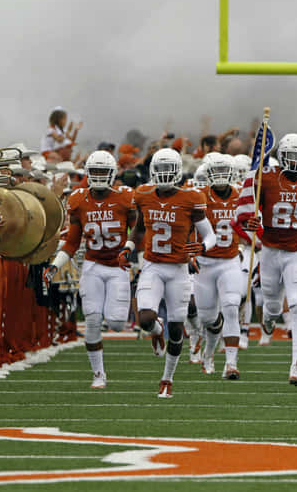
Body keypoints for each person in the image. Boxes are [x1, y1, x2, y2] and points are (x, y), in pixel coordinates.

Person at [124, 148, 216, 398]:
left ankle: (167, 379)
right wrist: (128, 247)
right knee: (145, 320)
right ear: (153, 171)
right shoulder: (143, 194)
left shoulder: (191, 197)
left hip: (178, 269)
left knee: (176, 331)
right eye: (160, 169)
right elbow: (139, 228)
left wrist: (202, 247)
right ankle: (156, 331)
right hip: (152, 266)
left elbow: (210, 235)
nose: (164, 174)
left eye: (169, 169)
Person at [43, 151, 135, 389]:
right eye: (95, 172)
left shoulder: (126, 197)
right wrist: (54, 265)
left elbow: (138, 232)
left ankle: (152, 327)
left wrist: (136, 256)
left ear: (113, 173)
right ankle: (98, 374)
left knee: (116, 323)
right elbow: (73, 242)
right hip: (93, 265)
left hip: (117, 266)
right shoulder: (79, 199)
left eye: (103, 172)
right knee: (93, 319)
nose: (99, 176)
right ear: (88, 173)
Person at [237, 134, 297, 385]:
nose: (295, 161)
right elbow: (248, 208)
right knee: (270, 305)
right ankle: (268, 321)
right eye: (291, 156)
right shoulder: (267, 178)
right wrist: (251, 219)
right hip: (270, 251)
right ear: (281, 156)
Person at [194, 153, 245, 379]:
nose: (222, 177)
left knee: (232, 307)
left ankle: (231, 364)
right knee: (208, 319)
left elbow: (253, 222)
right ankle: (209, 353)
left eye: (226, 172)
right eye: (217, 172)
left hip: (230, 260)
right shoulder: (198, 196)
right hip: (204, 263)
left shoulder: (243, 196)